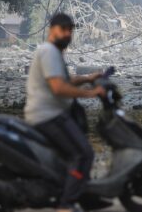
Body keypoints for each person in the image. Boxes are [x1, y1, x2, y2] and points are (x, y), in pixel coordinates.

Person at [24, 13, 105, 212]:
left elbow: (65, 80)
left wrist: (88, 78)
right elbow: (59, 88)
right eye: (64, 29)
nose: (68, 34)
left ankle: (80, 195)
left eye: (70, 30)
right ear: (53, 29)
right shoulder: (48, 52)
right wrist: (90, 93)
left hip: (51, 114)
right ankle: (65, 205)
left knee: (71, 154)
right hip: (48, 116)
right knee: (83, 154)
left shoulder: (53, 53)